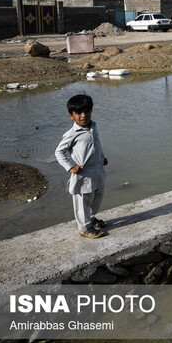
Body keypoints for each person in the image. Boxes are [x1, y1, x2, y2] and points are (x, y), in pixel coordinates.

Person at [55, 94, 108, 238]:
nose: (83, 115)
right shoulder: (72, 134)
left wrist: (102, 157)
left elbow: (96, 144)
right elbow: (59, 152)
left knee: (98, 195)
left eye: (87, 111)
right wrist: (70, 166)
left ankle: (90, 218)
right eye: (78, 113)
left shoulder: (93, 127)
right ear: (71, 116)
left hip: (97, 170)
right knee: (83, 199)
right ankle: (84, 228)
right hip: (83, 173)